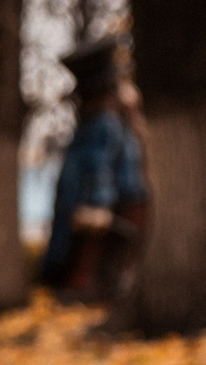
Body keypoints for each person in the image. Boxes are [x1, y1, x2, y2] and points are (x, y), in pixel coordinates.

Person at [41, 35, 149, 301]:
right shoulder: (104, 123)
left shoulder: (104, 123)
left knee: (92, 266)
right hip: (108, 206)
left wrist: (95, 205)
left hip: (107, 209)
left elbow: (98, 169)